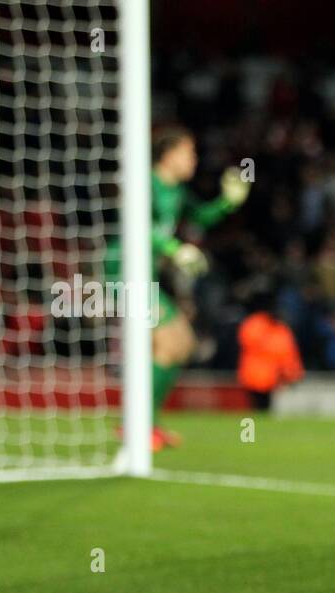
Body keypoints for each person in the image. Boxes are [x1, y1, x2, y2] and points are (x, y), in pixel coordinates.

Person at [107, 125, 250, 450]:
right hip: (123, 270)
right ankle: (135, 426)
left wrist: (228, 203)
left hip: (147, 277)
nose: (194, 160)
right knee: (170, 342)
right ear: (169, 155)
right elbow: (136, 223)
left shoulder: (178, 193)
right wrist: (173, 249)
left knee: (182, 344)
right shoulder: (144, 183)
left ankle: (147, 424)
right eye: (189, 152)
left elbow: (200, 217)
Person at [237, 309, 304, 411]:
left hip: (264, 377)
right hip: (259, 376)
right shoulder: (264, 327)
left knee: (261, 406)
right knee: (259, 406)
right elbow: (286, 354)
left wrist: (293, 373)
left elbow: (287, 354)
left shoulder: (258, 326)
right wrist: (293, 374)